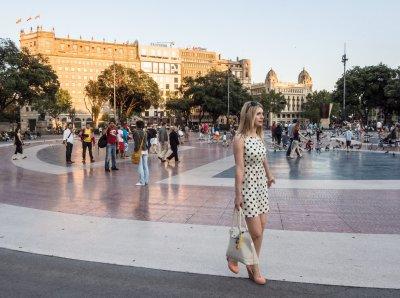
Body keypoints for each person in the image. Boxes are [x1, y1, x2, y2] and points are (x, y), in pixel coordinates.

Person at [228, 101, 275, 285]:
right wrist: (238, 194)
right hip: (248, 188)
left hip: (261, 186)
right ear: (249, 116)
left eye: (263, 114)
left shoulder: (258, 135)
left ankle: (248, 263)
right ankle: (254, 268)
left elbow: (263, 157)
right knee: (255, 231)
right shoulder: (239, 138)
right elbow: (239, 168)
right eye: (258, 114)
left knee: (260, 230)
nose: (262, 117)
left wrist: (269, 175)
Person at [133, 120, 149, 186]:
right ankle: (146, 181)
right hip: (145, 150)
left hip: (139, 150)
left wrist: (135, 150)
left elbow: (136, 143)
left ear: (137, 125)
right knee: (145, 166)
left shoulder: (136, 132)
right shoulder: (145, 132)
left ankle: (142, 181)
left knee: (140, 166)